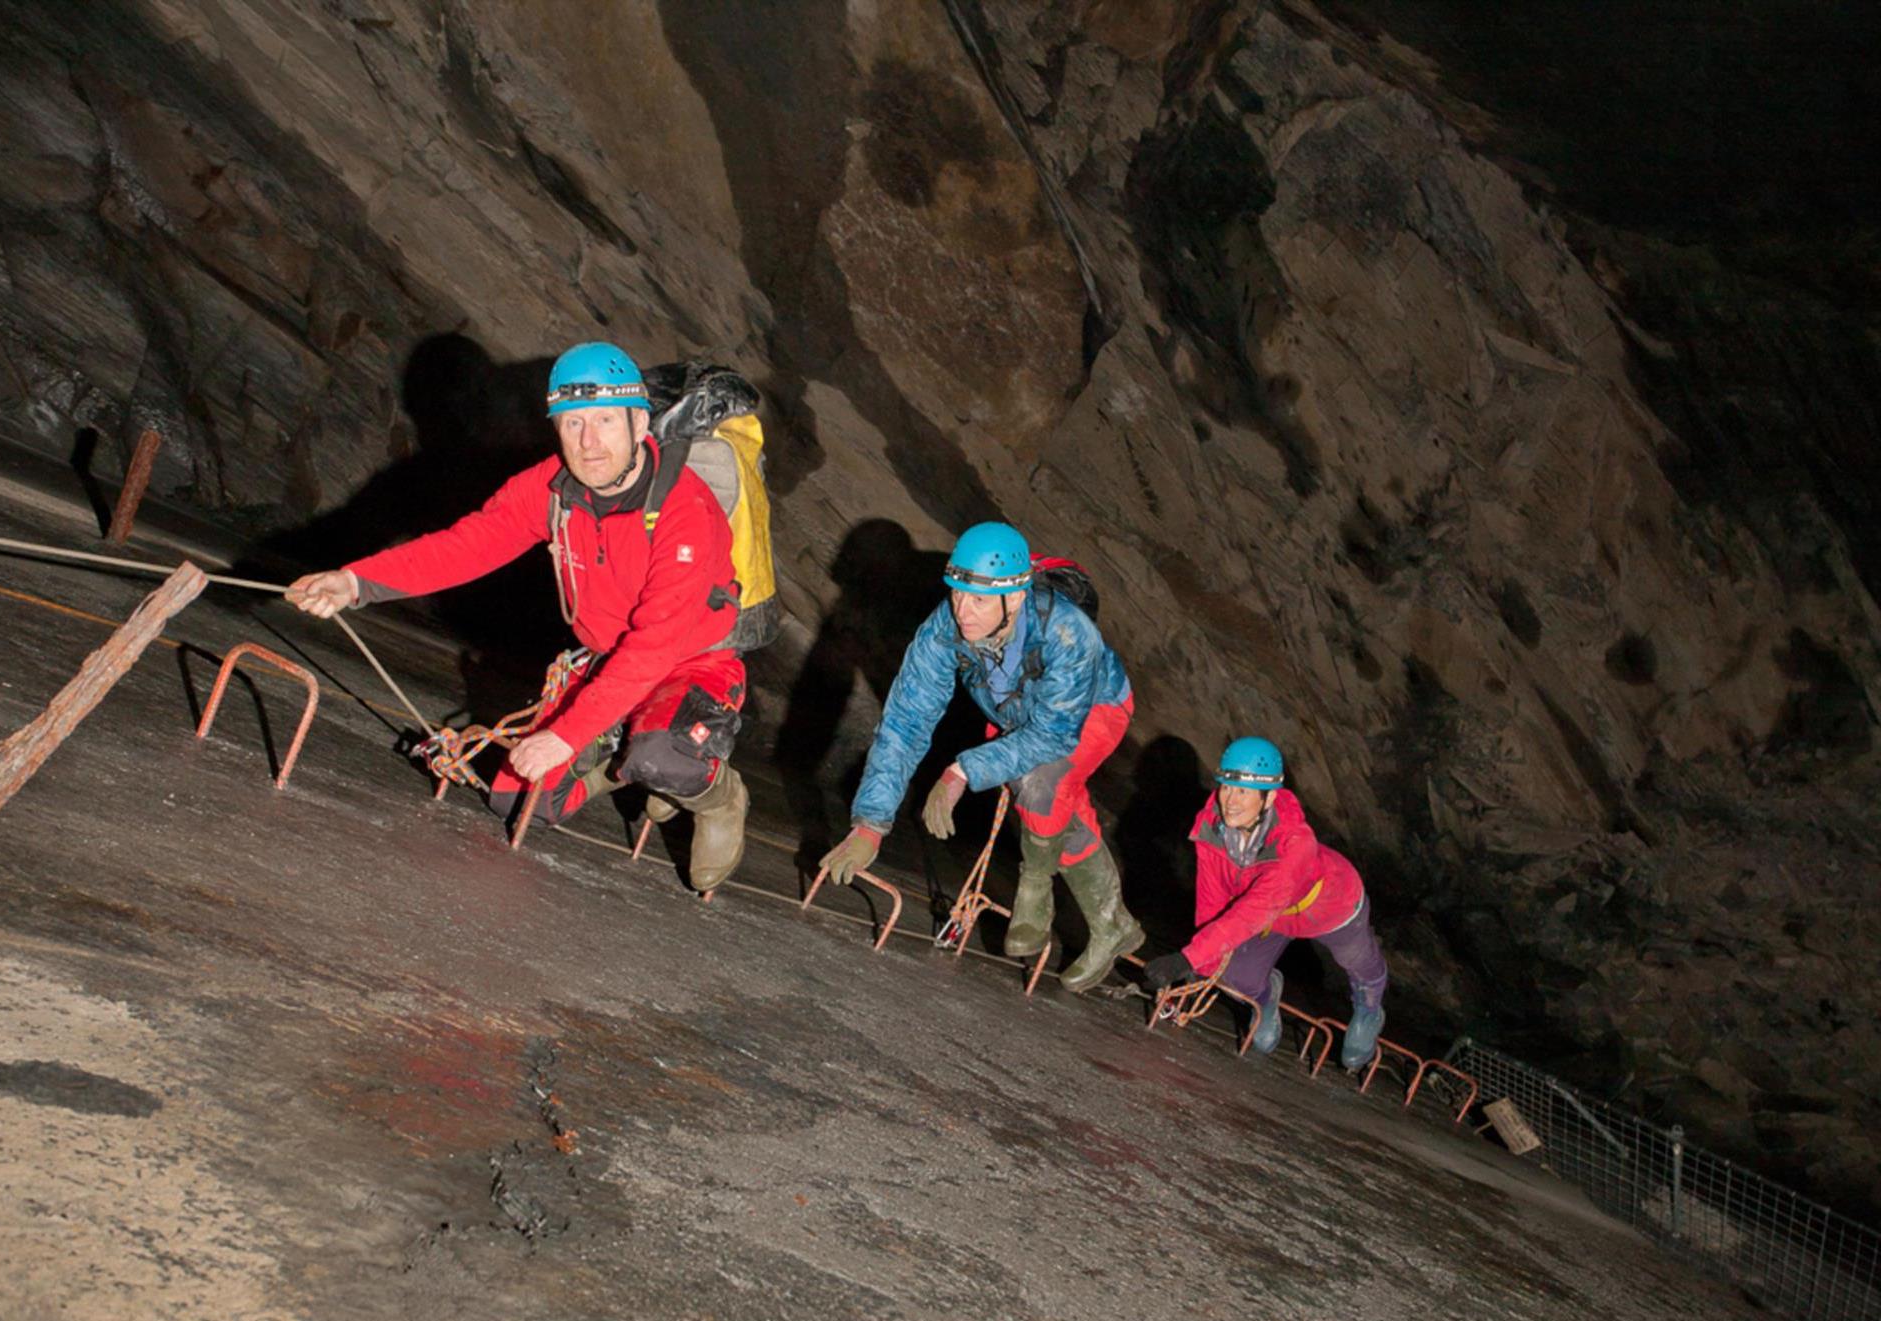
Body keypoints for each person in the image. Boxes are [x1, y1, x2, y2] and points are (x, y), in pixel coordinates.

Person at [285, 341, 751, 890]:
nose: (589, 442)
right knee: (522, 800)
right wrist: (356, 582)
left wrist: (567, 733)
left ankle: (716, 795)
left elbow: (653, 646)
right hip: (601, 662)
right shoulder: (551, 489)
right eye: (572, 424)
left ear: (638, 422)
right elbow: (466, 546)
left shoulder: (684, 511)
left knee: (661, 759)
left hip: (692, 663)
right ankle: (620, 752)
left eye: (604, 421)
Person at [819, 521, 1141, 991]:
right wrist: (871, 820)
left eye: (979, 601)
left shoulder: (1069, 634)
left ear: (1015, 599)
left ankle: (1036, 887)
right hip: (1013, 708)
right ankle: (1113, 924)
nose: (962, 612)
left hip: (1093, 708)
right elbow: (905, 723)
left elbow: (1053, 735)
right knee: (1053, 804)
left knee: (1040, 784)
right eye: (957, 594)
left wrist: (962, 769)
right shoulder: (944, 628)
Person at [1139, 737, 1388, 1068]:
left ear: (1269, 796)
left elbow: (1254, 911)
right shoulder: (1211, 827)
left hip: (1330, 903)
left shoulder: (1294, 844)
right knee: (1237, 975)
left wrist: (1187, 957)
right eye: (1227, 787)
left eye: (1243, 792)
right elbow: (1213, 906)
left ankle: (1369, 1008)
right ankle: (1265, 998)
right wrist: (1198, 968)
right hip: (1272, 916)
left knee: (1356, 959)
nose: (1230, 800)